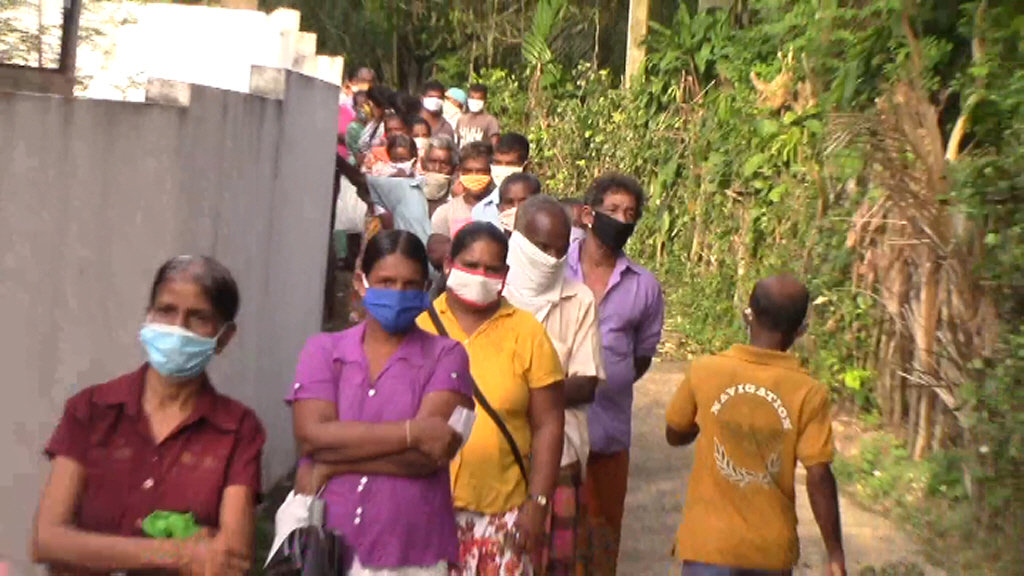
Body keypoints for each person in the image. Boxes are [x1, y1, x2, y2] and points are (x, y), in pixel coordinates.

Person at [33, 256, 265, 576]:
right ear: (148, 317)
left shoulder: (238, 429)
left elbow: (229, 561)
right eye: (167, 311)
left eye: (198, 317)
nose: (177, 328)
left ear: (224, 337)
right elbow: (47, 540)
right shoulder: (91, 409)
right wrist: (180, 553)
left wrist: (92, 549)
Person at [290, 230, 474, 576]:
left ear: (425, 289)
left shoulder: (447, 356)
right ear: (362, 282)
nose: (398, 294)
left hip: (409, 547)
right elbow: (311, 438)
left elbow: (427, 457)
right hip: (326, 542)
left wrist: (331, 466)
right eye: (386, 282)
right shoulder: (323, 351)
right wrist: (411, 432)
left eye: (410, 284)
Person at [665, 275, 847, 576]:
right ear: (800, 331)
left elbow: (675, 433)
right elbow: (819, 475)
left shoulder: (705, 371)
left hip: (708, 545)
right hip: (770, 553)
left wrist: (705, 422)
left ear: (747, 316)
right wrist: (835, 552)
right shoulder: (808, 392)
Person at [416, 222, 565, 576]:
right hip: (424, 514)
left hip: (502, 519)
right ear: (449, 264)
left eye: (491, 268)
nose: (481, 275)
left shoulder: (526, 332)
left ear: (505, 274)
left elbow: (549, 424)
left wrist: (538, 504)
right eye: (471, 265)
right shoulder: (419, 328)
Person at [567, 173, 664, 576]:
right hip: (554, 432)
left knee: (603, 537)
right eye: (612, 211)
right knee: (556, 538)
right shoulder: (555, 267)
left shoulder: (644, 287)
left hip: (608, 433)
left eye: (630, 214)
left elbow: (641, 357)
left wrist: (611, 377)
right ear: (588, 215)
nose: (621, 220)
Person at [503, 196, 604, 576]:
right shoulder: (493, 294)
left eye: (560, 250)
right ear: (518, 239)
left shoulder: (579, 299)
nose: (551, 257)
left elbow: (587, 383)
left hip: (560, 458)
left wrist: (514, 394)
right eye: (541, 247)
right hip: (494, 456)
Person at [339, 134, 432, 245]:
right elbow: (387, 222)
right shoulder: (385, 185)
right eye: (394, 160)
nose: (398, 165)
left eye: (403, 160)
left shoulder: (423, 183)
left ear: (414, 159)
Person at [427, 141, 494, 271]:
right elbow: (437, 254)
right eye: (469, 171)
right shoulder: (445, 212)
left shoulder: (501, 208)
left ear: (490, 173)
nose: (474, 177)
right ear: (459, 172)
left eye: (480, 172)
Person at [473, 132, 531, 227]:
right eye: (498, 163)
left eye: (510, 164)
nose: (503, 169)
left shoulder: (544, 207)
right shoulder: (481, 211)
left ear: (526, 166)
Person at [421, 135, 459, 216]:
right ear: (423, 164)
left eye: (444, 164)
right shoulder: (413, 193)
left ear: (454, 168)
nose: (437, 169)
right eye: (432, 162)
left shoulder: (457, 199)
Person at [456, 83, 500, 148]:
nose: (475, 101)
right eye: (472, 98)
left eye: (479, 99)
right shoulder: (461, 119)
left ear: (485, 101)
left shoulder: (490, 121)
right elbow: (457, 142)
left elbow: (495, 143)